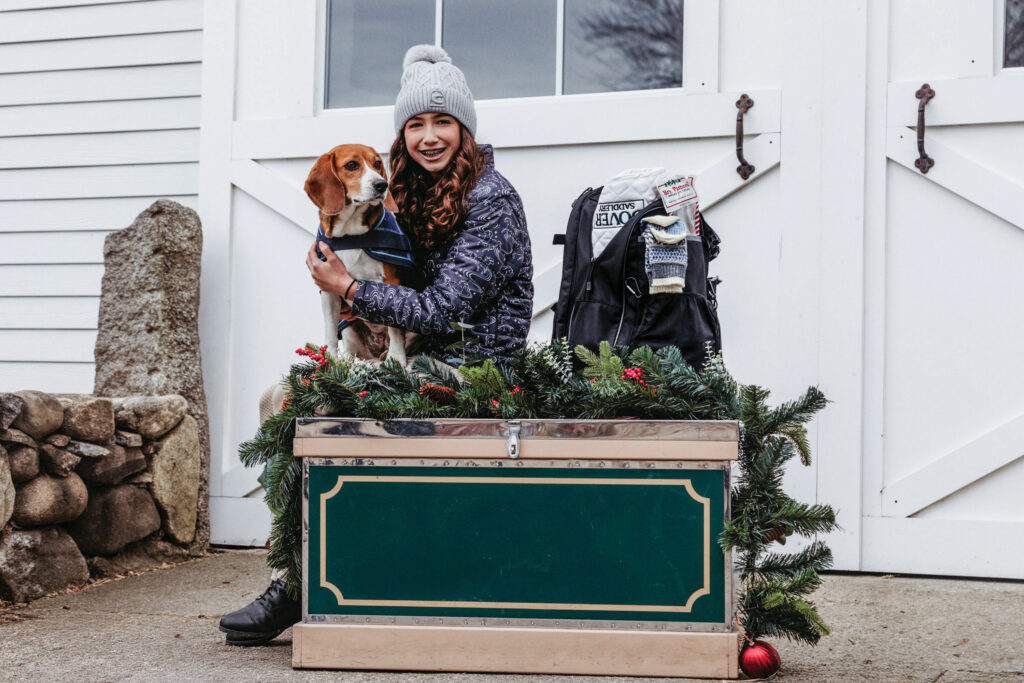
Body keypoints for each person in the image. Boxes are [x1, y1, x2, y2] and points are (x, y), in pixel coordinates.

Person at [218, 44, 534, 646]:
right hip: (404, 353)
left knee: (308, 408)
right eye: (416, 124)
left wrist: (346, 287)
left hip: (470, 367)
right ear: (403, 135)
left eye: (443, 122)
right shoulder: (402, 195)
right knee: (277, 398)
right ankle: (301, 566)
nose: (429, 136)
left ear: (465, 131)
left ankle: (306, 582)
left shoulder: (493, 202)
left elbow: (444, 309)